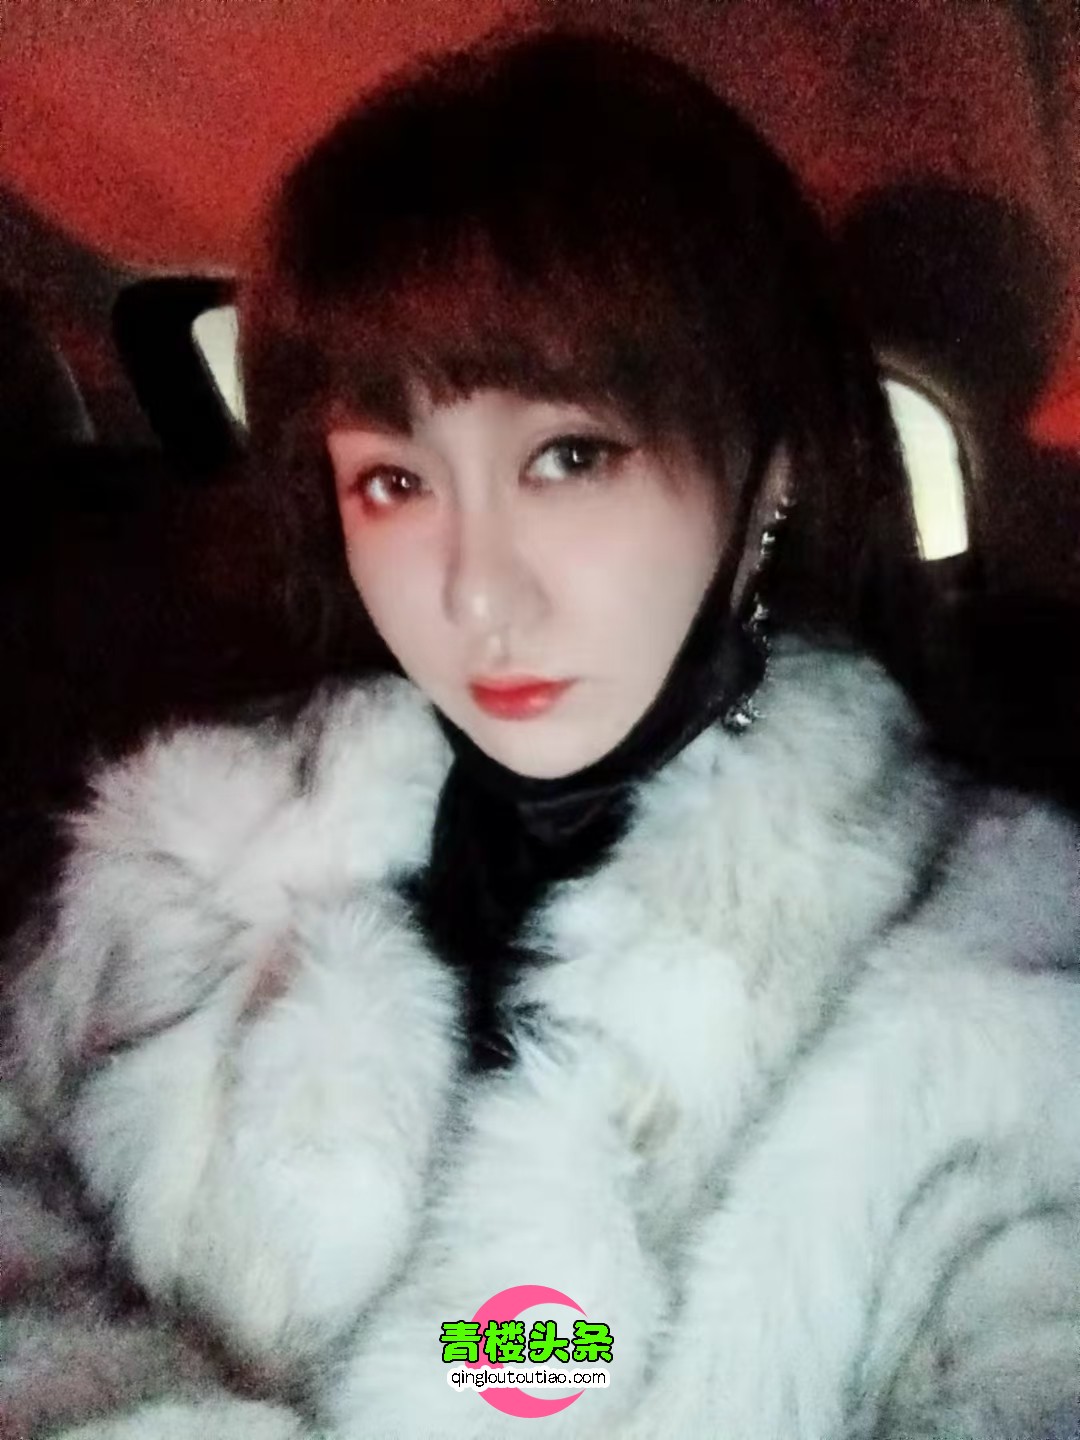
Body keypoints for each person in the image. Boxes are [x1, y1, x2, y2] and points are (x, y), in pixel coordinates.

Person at [2, 25, 1079, 1440]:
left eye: (570, 457)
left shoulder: (995, 978)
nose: (475, 592)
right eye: (395, 481)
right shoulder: (180, 867)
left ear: (767, 476)